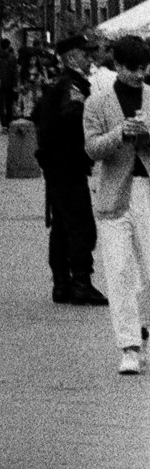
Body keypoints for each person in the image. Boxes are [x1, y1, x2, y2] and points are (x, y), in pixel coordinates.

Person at [84, 36, 150, 372]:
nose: (139, 75)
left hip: (146, 189)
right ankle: (129, 346)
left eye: (144, 68)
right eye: (132, 68)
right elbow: (92, 148)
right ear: (117, 66)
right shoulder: (97, 103)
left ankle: (145, 327)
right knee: (119, 271)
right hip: (113, 195)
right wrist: (121, 133)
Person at [33, 33, 103, 306]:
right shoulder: (72, 86)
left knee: (62, 225)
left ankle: (62, 284)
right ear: (72, 57)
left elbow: (39, 114)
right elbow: (73, 114)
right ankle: (80, 283)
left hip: (56, 163)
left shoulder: (59, 83)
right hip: (67, 164)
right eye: (86, 54)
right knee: (81, 225)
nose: (91, 59)